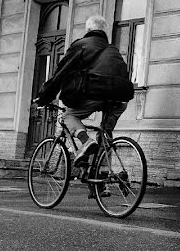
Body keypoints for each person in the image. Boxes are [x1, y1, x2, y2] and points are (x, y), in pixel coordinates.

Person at [36, 15, 134, 171]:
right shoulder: (113, 50)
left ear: (88, 30)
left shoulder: (81, 45)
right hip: (120, 99)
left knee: (68, 115)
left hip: (95, 93)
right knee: (104, 134)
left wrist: (44, 96)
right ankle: (101, 176)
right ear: (104, 32)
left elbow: (60, 73)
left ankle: (86, 141)